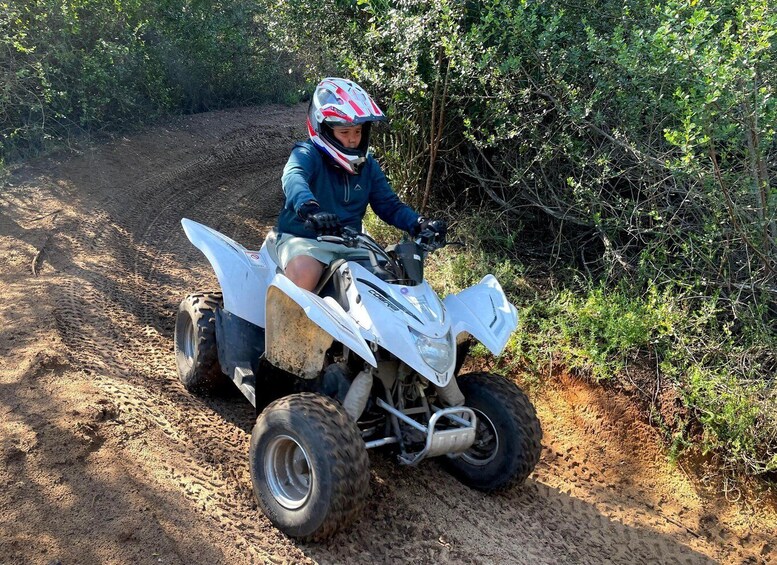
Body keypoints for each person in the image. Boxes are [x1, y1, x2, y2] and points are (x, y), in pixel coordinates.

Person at [275, 77, 446, 291]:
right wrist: (309, 208)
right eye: (344, 132)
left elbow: (389, 205)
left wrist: (419, 223)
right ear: (324, 129)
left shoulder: (367, 164)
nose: (353, 139)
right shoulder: (306, 153)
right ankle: (287, 325)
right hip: (305, 240)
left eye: (358, 131)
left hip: (352, 244)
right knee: (304, 273)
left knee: (396, 280)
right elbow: (293, 177)